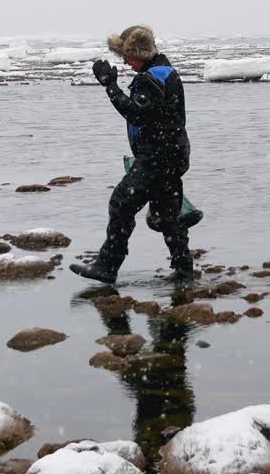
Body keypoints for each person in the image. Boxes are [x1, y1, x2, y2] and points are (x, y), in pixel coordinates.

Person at [71, 25, 194, 285]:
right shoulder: (165, 71)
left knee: (121, 203)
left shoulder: (151, 78)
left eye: (126, 56)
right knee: (167, 215)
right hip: (173, 154)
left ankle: (107, 265)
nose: (125, 62)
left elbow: (136, 114)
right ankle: (184, 272)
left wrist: (110, 86)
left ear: (139, 51)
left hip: (157, 157)